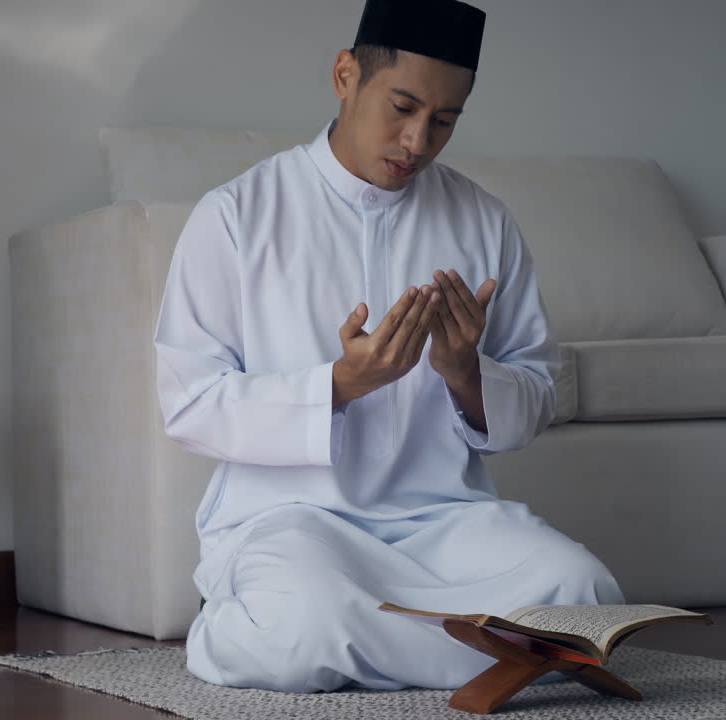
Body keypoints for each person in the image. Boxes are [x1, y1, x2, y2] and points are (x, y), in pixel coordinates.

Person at [153, 0, 624, 693]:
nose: (416, 141)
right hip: (294, 523)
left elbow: (539, 391)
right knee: (302, 622)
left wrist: (466, 374)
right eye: (402, 107)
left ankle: (359, 642)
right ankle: (480, 651)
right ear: (346, 76)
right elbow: (190, 404)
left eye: (444, 121)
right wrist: (340, 385)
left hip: (446, 523)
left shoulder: (484, 220)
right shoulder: (236, 215)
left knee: (586, 594)